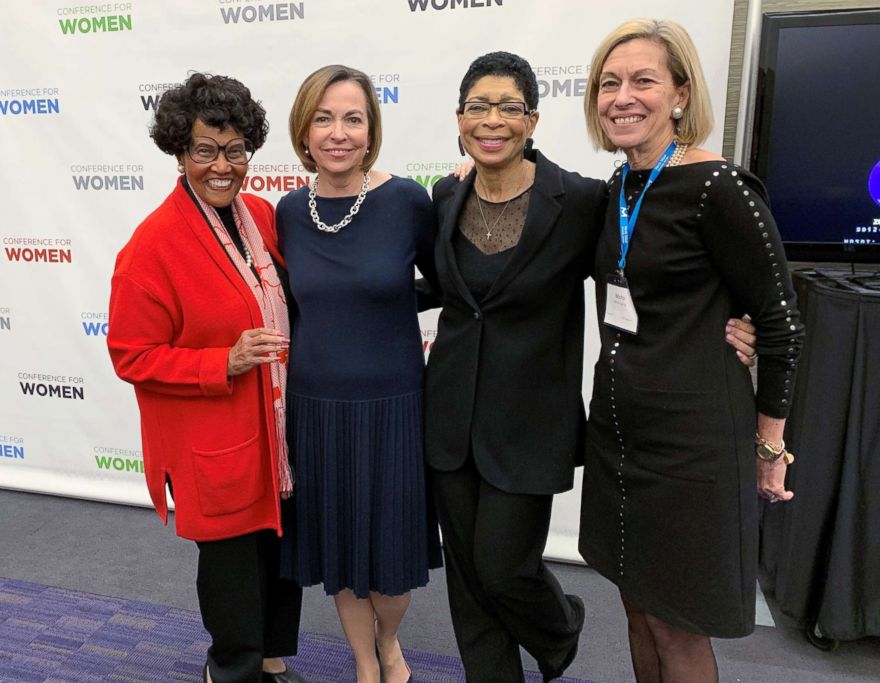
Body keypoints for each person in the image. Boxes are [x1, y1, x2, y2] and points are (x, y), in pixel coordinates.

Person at [427, 52, 760, 683]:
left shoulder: (580, 200)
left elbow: (649, 270)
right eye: (478, 106)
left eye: (508, 107)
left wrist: (732, 321)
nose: (491, 120)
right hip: (447, 417)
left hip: (530, 425)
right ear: (460, 118)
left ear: (532, 120)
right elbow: (433, 286)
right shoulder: (445, 195)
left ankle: (560, 628)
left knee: (502, 569)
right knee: (468, 585)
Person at [578, 19, 803, 682]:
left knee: (677, 626)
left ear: (679, 94)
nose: (623, 95)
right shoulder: (615, 189)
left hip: (693, 447)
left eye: (643, 80)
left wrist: (769, 446)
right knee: (637, 610)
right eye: (608, 83)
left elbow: (782, 322)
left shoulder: (719, 188)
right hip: (619, 436)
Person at [107, 73, 305, 683]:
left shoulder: (262, 216)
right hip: (212, 443)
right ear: (179, 151)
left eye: (236, 149)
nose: (223, 166)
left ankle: (270, 660)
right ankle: (231, 670)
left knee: (277, 552)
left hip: (274, 432)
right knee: (231, 571)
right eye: (206, 151)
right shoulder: (152, 245)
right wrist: (223, 360)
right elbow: (130, 355)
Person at [276, 65, 441, 683]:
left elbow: (447, 281)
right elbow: (289, 302)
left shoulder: (406, 201)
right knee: (341, 550)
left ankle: (390, 640)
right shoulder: (288, 212)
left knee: (393, 558)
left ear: (372, 131)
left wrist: (391, 299)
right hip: (315, 406)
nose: (338, 133)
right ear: (304, 130)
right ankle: (367, 664)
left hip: (392, 404)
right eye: (324, 118)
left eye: (352, 118)